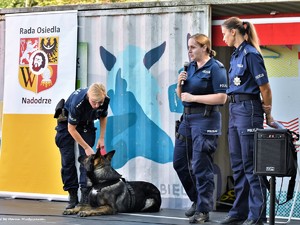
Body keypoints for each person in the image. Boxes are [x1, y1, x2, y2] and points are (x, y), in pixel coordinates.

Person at [219, 17, 276, 225]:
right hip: (234, 109)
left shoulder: (251, 54)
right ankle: (239, 212)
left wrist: (268, 114)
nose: (223, 37)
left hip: (248, 109)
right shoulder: (235, 55)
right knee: (238, 164)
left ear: (234, 31)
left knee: (251, 165)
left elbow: (265, 89)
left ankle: (257, 216)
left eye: (224, 33)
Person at [173, 33, 228, 223]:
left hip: (206, 121)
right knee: (179, 162)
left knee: (200, 166)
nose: (189, 51)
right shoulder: (189, 68)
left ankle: (203, 210)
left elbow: (222, 98)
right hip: (187, 119)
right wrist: (179, 86)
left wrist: (194, 98)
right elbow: (181, 96)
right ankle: (196, 199)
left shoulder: (216, 68)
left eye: (193, 47)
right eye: (188, 47)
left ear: (204, 48)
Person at [54, 83, 109, 209]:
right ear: (88, 95)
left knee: (87, 161)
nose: (96, 106)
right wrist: (86, 147)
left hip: (86, 124)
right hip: (67, 124)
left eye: (99, 103)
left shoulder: (104, 100)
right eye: (94, 102)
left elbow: (103, 116)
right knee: (67, 160)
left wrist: (101, 138)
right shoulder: (77, 102)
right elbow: (71, 129)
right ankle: (72, 195)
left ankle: (85, 195)